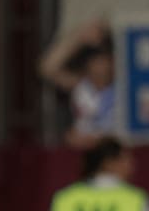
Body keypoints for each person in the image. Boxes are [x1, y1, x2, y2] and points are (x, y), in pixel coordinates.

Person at [39, 18, 116, 149]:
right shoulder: (81, 85)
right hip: (81, 149)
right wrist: (78, 38)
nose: (99, 67)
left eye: (104, 60)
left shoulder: (125, 88)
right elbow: (47, 68)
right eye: (94, 61)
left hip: (111, 150)